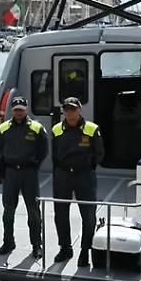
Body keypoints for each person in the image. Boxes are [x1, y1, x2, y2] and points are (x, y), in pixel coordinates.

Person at [51, 97, 104, 266]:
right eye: (67, 109)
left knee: (88, 215)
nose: (70, 112)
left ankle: (85, 251)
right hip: (63, 175)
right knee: (60, 213)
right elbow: (53, 154)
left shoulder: (92, 129)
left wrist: (86, 166)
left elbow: (99, 153)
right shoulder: (56, 129)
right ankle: (65, 248)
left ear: (80, 110)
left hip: (84, 176)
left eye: (73, 109)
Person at [0, 95, 48, 258]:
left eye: (21, 110)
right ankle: (8, 241)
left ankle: (36, 245)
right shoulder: (3, 128)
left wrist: (33, 165)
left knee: (33, 212)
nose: (18, 112)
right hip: (11, 174)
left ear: (26, 109)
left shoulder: (37, 128)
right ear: (12, 110)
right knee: (8, 211)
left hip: (29, 174)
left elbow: (43, 150)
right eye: (16, 109)